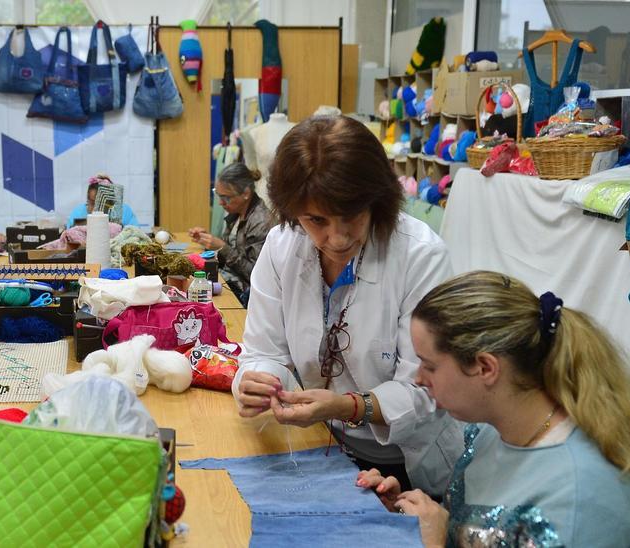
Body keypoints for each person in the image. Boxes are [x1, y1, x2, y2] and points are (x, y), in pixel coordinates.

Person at [233, 115, 462, 495]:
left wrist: (346, 406)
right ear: (292, 211)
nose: (336, 238)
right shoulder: (281, 246)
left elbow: (426, 390)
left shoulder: (420, 256)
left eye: (352, 216)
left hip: (404, 461)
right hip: (320, 444)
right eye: (316, 220)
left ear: (377, 200)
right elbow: (263, 350)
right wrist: (259, 380)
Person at [357, 271, 630, 547]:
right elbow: (479, 530)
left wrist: (435, 542)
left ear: (485, 367)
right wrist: (413, 514)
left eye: (429, 365)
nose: (419, 378)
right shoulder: (491, 433)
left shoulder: (583, 500)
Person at [187, 163, 274, 305]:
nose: (221, 202)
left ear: (246, 193)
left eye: (226, 197)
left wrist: (222, 247)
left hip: (244, 295)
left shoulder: (262, 222)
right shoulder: (237, 213)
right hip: (227, 283)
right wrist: (208, 241)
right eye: (218, 194)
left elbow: (255, 273)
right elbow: (229, 252)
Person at [66, 174, 141, 227]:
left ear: (112, 202)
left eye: (102, 205)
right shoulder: (78, 213)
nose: (96, 210)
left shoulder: (124, 212)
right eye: (92, 203)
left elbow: (135, 235)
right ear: (88, 200)